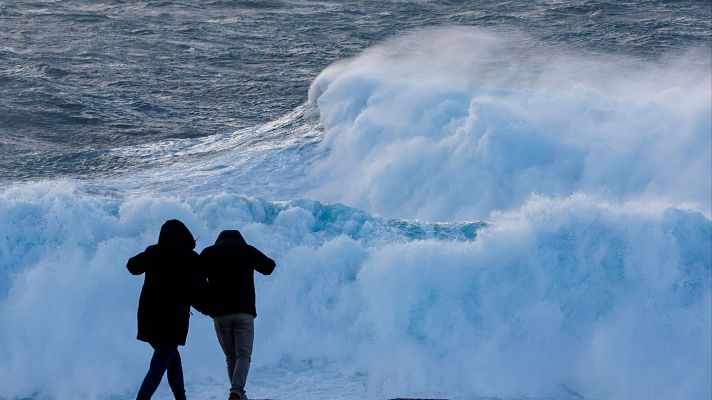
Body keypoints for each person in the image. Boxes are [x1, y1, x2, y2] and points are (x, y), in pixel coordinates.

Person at [127, 219, 209, 400]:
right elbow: (199, 293)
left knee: (171, 360)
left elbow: (132, 266)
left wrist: (151, 257)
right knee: (159, 365)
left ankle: (181, 398)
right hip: (173, 319)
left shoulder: (153, 252)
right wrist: (212, 310)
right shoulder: (191, 258)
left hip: (149, 317)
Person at [201, 230, 276, 400]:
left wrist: (206, 302)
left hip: (219, 314)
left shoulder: (209, 252)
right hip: (244, 311)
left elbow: (195, 277)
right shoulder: (246, 250)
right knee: (244, 355)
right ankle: (236, 391)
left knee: (230, 356)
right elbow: (269, 267)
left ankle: (239, 394)